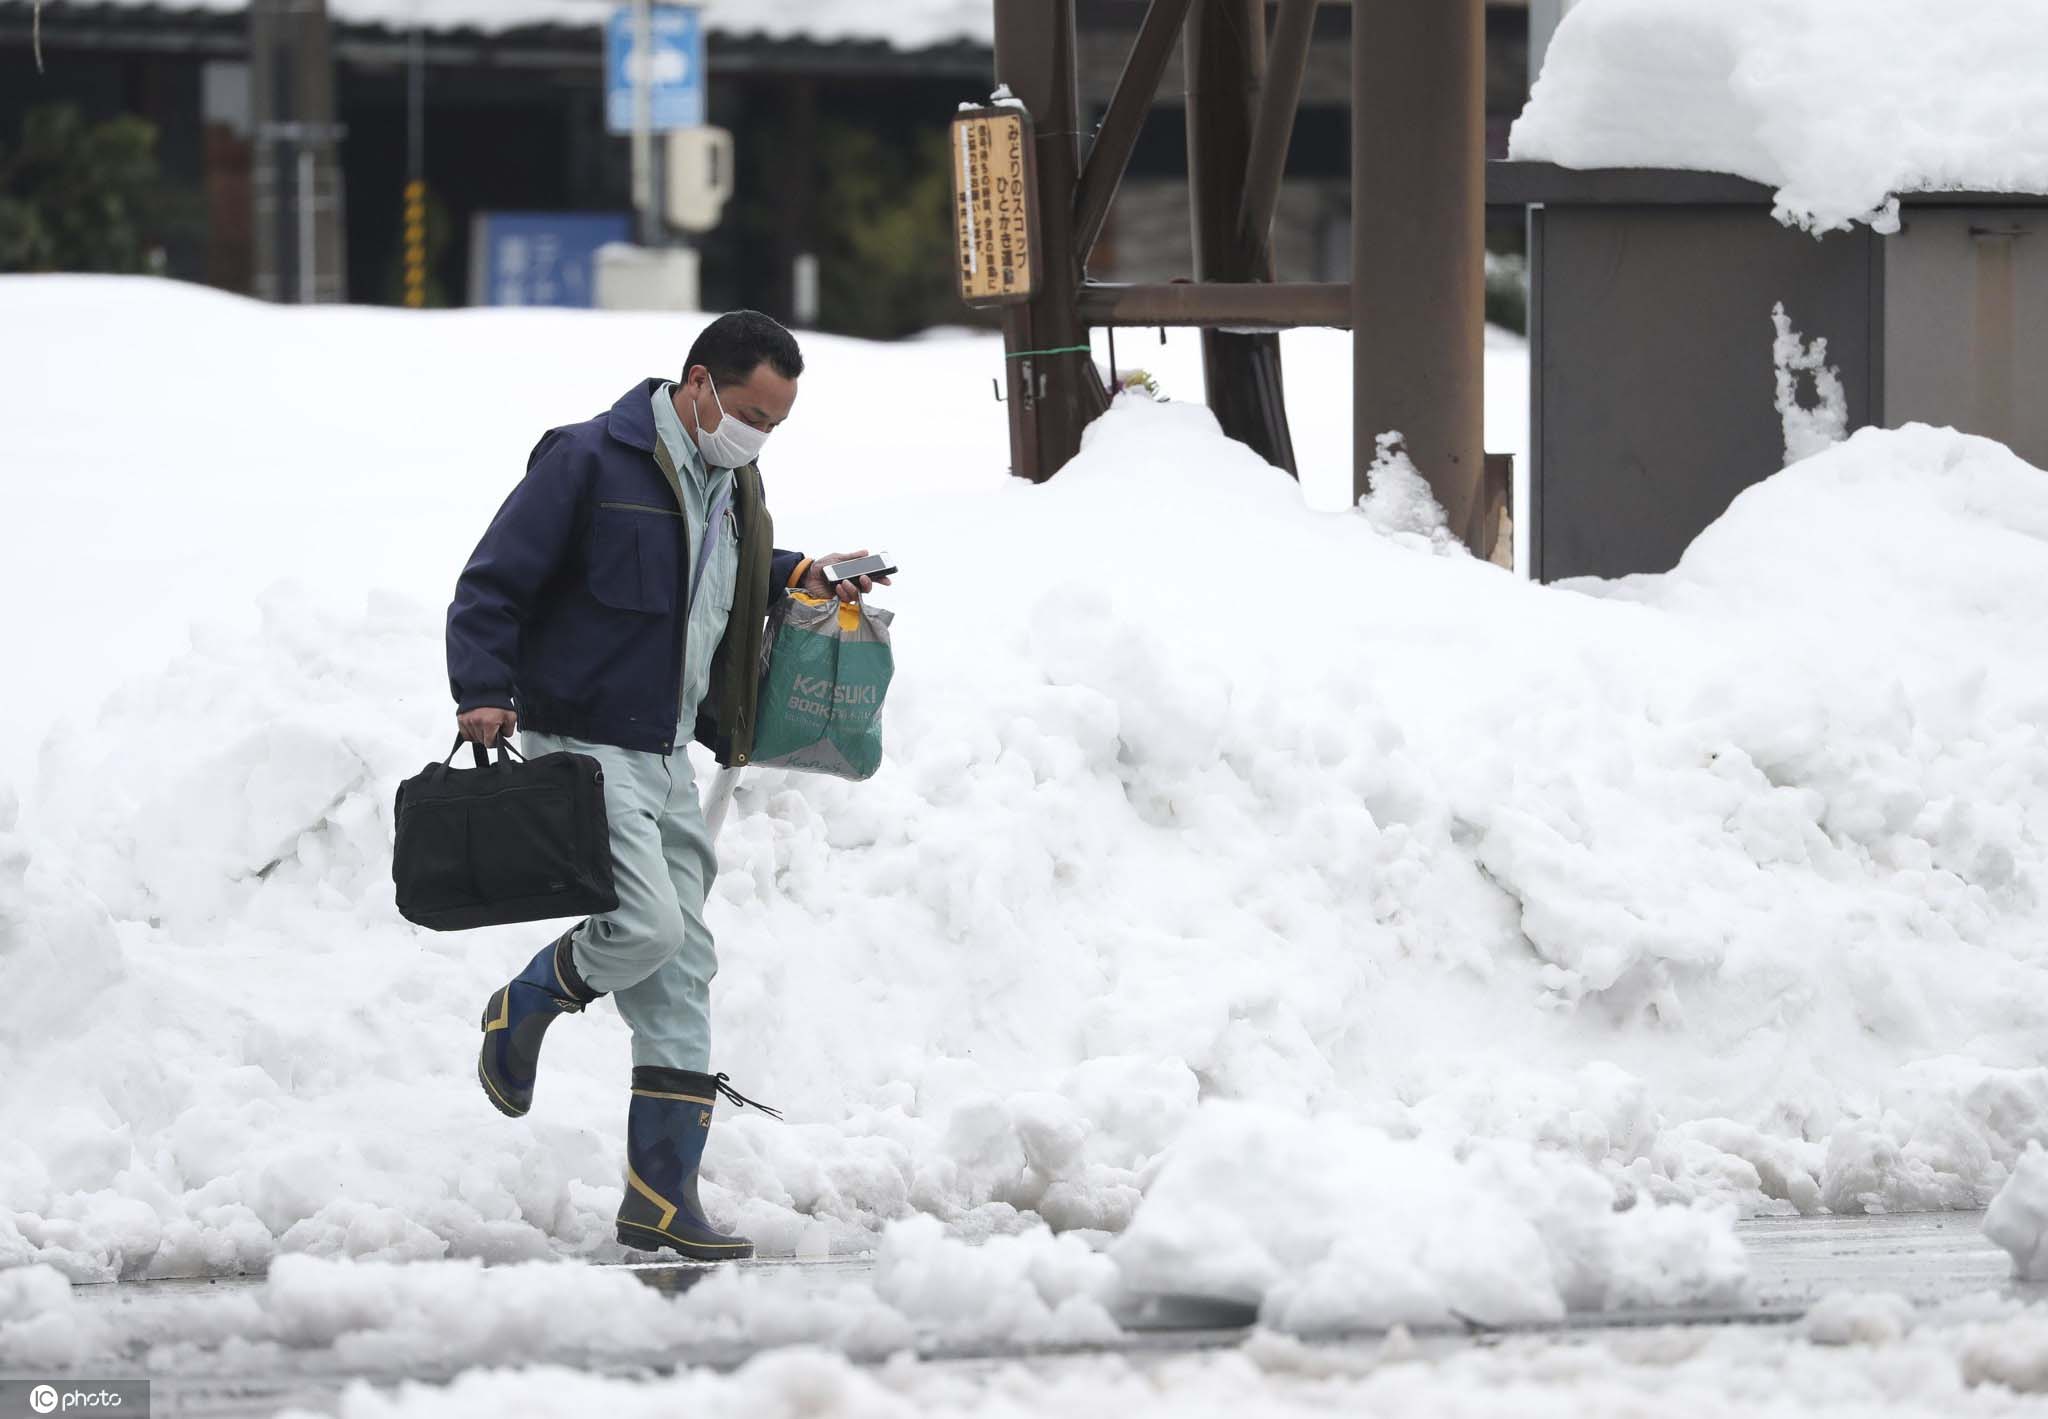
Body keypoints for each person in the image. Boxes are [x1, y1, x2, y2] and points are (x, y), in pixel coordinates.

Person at [444, 311, 886, 1261]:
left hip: (666, 751)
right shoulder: (586, 462)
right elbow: (493, 581)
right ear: (698, 384)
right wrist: (482, 689)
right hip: (582, 742)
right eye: (753, 413)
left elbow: (711, 571)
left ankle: (660, 1197)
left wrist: (798, 571)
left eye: (776, 423)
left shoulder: (732, 483)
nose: (760, 435)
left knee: (682, 966)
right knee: (643, 925)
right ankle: (525, 1001)